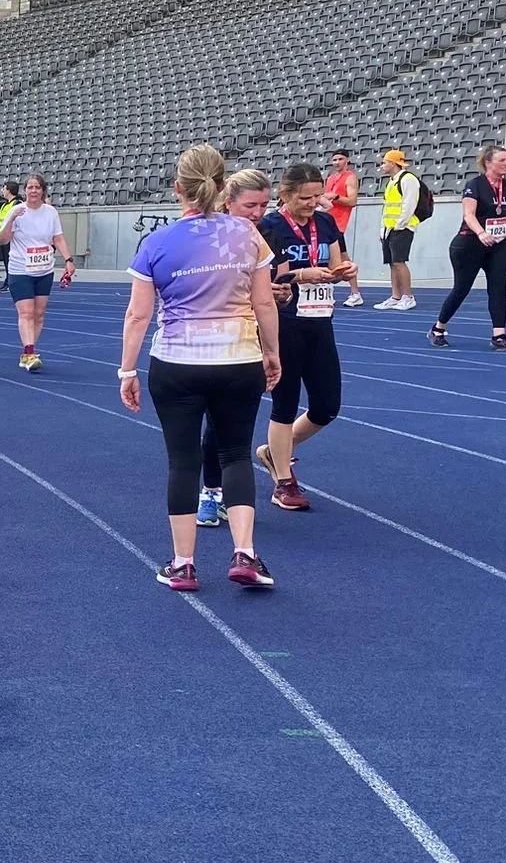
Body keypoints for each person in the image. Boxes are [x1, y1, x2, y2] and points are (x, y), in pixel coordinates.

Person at [119, 144, 282, 593]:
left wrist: (127, 371)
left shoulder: (156, 242)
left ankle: (183, 564)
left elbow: (138, 315)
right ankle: (245, 553)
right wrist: (272, 353)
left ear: (178, 187)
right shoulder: (248, 234)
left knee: (183, 461)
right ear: (223, 186)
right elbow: (264, 303)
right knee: (236, 454)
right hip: (239, 358)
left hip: (177, 362)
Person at [256, 161, 356, 509]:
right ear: (285, 195)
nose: (313, 203)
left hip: (320, 320)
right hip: (285, 322)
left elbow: (335, 264)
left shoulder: (326, 223)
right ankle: (283, 482)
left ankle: (276, 452)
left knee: (327, 406)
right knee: (284, 404)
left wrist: (344, 271)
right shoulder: (270, 226)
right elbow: (264, 280)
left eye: (317, 196)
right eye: (305, 198)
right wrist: (301, 275)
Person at [198, 169, 274, 529]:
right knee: (216, 424)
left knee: (235, 428)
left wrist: (284, 286)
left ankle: (230, 499)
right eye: (250, 206)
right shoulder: (208, 234)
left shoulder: (263, 234)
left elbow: (272, 284)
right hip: (213, 342)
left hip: (248, 341)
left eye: (264, 205)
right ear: (228, 203)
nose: (258, 212)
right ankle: (211, 493)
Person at [429, 144, 506, 350]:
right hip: (470, 244)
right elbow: (469, 214)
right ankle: (438, 328)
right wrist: (481, 233)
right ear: (488, 163)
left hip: (499, 245)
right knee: (462, 288)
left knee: (498, 288)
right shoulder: (475, 185)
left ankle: (499, 335)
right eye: (502, 160)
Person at [0, 173, 74, 372]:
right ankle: (30, 352)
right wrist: (12, 218)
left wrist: (68, 260)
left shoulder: (50, 212)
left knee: (39, 315)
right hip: (20, 270)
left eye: (37, 187)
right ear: (25, 191)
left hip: (44, 269)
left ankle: (27, 351)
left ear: (43, 191)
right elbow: (3, 240)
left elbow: (58, 238)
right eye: (30, 187)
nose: (33, 191)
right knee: (26, 312)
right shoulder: (16, 211)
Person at [375, 150, 422, 312]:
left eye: (384, 162)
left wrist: (400, 224)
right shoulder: (391, 182)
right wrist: (383, 229)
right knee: (392, 262)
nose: (382, 166)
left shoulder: (408, 179)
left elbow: (409, 204)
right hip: (390, 228)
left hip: (402, 227)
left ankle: (408, 297)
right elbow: (387, 207)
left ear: (393, 163)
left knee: (399, 261)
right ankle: (395, 296)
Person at [322, 149, 364, 307]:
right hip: (327, 221)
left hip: (338, 223)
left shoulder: (350, 177)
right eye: (334, 160)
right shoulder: (331, 178)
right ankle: (329, 291)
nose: (337, 162)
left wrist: (336, 197)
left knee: (343, 258)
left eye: (340, 159)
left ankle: (355, 293)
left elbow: (352, 201)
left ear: (347, 160)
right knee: (327, 257)